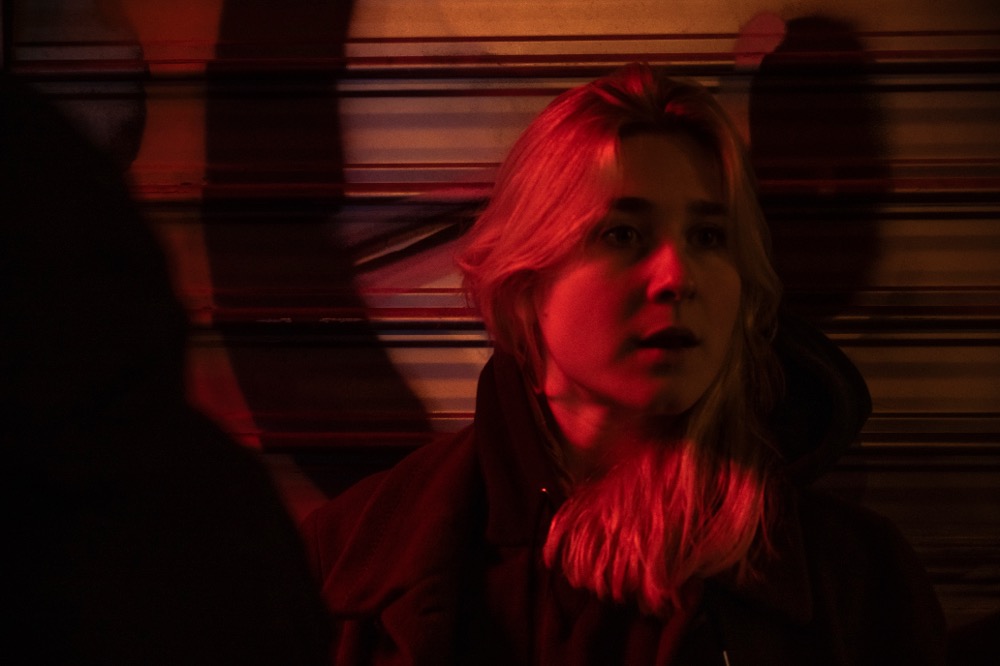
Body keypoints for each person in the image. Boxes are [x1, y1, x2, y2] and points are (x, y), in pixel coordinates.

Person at [302, 63, 946, 664]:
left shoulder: (854, 579)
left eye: (709, 237)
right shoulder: (352, 556)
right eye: (623, 234)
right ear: (526, 283)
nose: (676, 277)